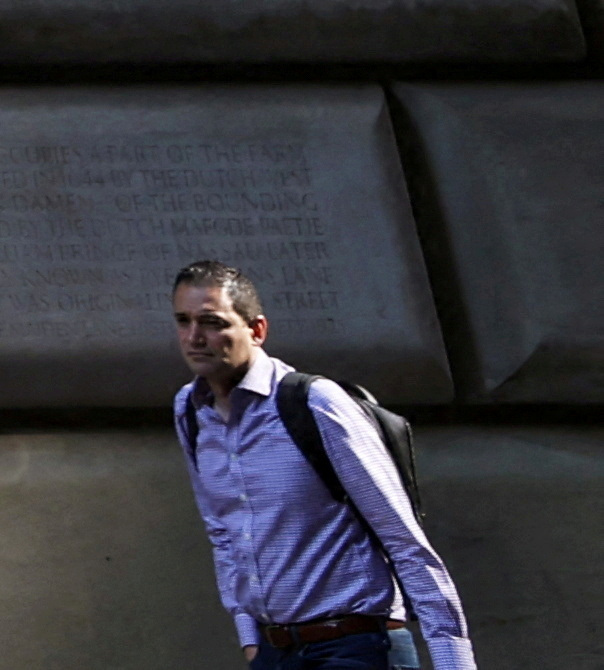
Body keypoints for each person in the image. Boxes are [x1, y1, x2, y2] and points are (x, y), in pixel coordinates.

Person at [174, 261, 475, 670]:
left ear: (256, 330)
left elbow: (404, 540)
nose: (194, 337)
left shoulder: (315, 404)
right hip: (274, 651)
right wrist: (250, 638)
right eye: (183, 321)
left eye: (211, 322)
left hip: (355, 647)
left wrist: (453, 661)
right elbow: (223, 533)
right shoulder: (191, 412)